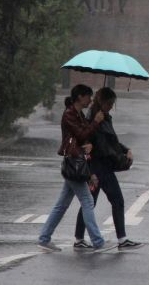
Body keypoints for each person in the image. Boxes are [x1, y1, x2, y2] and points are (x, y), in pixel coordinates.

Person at [37, 84, 113, 252]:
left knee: (62, 204)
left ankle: (44, 238)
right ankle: (98, 241)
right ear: (80, 96)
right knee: (87, 201)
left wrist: (90, 144)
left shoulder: (78, 114)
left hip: (77, 161)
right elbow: (81, 134)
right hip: (74, 162)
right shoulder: (69, 114)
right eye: (88, 96)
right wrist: (95, 121)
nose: (90, 100)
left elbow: (85, 136)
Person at [74, 87, 143, 251]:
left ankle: (80, 239)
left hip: (101, 166)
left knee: (92, 202)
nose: (112, 106)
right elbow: (104, 146)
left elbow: (111, 141)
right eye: (110, 103)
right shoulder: (95, 118)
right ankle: (120, 239)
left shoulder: (102, 116)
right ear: (102, 102)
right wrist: (121, 159)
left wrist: (125, 149)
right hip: (98, 167)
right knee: (105, 201)